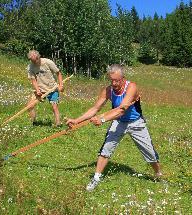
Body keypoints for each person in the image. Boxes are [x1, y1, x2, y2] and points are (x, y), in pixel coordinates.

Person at [66, 64, 162, 192]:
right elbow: (95, 109)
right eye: (111, 80)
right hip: (118, 122)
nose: (114, 83)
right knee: (106, 148)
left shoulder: (131, 87)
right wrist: (76, 121)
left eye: (117, 80)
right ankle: (96, 178)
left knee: (149, 151)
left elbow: (122, 109)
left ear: (123, 78)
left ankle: (158, 174)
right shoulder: (108, 90)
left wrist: (103, 119)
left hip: (136, 123)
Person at [27, 50, 64, 127]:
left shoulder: (48, 62)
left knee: (54, 107)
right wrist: (37, 90)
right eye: (32, 61)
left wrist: (61, 85)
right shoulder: (30, 67)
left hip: (52, 89)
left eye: (34, 61)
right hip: (40, 89)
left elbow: (58, 73)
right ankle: (33, 123)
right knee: (30, 105)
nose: (34, 63)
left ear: (38, 57)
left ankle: (58, 124)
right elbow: (33, 80)